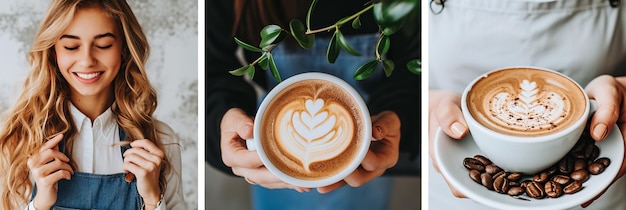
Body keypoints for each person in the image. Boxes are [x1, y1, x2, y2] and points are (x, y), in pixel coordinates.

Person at [206, 0, 420, 209]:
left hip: (366, 143)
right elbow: (212, 68)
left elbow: (416, 63)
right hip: (276, 138)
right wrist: (222, 121)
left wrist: (398, 114)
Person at [428, 0, 626, 209]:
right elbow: (406, 83)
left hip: (600, 196)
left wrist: (620, 91)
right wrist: (431, 106)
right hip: (452, 192)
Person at [0, 0, 185, 209]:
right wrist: (39, 204)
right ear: (54, 51)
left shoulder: (161, 141)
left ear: (124, 48)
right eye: (71, 46)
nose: (87, 60)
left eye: (103, 45)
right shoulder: (18, 140)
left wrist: (153, 200)